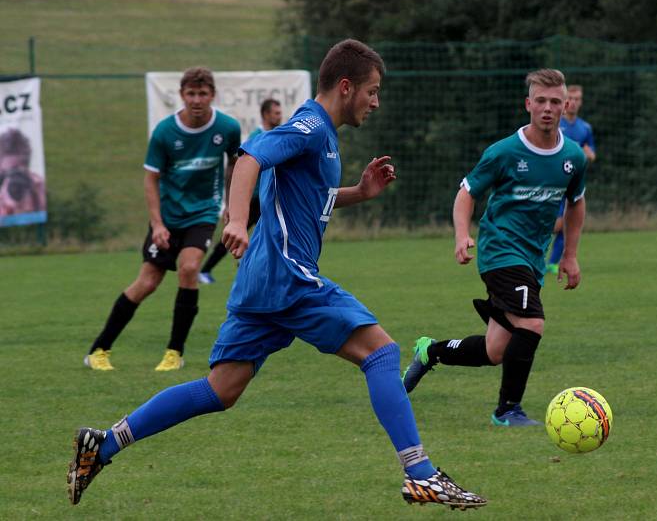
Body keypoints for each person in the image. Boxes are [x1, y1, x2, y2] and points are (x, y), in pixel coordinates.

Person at [67, 39, 486, 510]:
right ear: (346, 87)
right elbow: (249, 159)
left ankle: (102, 445)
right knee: (383, 355)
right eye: (372, 91)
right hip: (289, 277)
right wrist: (237, 221)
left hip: (262, 284)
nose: (375, 101)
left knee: (220, 390)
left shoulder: (322, 135)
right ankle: (421, 474)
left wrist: (359, 193)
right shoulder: (309, 126)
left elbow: (306, 197)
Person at [402, 69, 587, 427]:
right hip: (500, 252)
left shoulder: (574, 157)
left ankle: (430, 352)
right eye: (540, 101)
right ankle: (507, 410)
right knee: (532, 323)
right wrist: (461, 235)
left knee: (495, 350)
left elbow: (576, 203)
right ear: (528, 104)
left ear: (565, 106)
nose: (547, 108)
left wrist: (570, 255)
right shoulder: (504, 152)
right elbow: (466, 193)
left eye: (555, 102)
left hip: (532, 260)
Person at [83, 67, 241, 372]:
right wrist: (157, 224)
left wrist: (231, 206)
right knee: (147, 283)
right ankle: (98, 351)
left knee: (190, 267)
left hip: (203, 213)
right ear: (182, 95)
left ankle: (174, 353)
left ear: (212, 95)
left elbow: (236, 166)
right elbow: (150, 180)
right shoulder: (165, 132)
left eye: (203, 93)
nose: (197, 100)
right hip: (168, 218)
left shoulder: (228, 128)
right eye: (191, 94)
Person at [198, 98, 283, 284]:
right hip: (254, 198)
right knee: (236, 231)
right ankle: (205, 270)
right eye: (276, 113)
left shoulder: (277, 136)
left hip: (268, 196)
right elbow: (241, 166)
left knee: (272, 232)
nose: (280, 116)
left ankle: (251, 264)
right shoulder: (257, 137)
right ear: (266, 114)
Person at [547, 84, 595, 274]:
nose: (574, 103)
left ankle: (552, 263)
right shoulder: (556, 124)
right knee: (555, 225)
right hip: (552, 182)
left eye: (578, 99)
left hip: (572, 183)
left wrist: (586, 153)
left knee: (567, 225)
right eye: (571, 99)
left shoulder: (585, 128)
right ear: (565, 102)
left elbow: (591, 154)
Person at [0, 128, 46, 217]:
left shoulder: (36, 186)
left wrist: (37, 198)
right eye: (5, 174)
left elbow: (40, 214)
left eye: (16, 173)